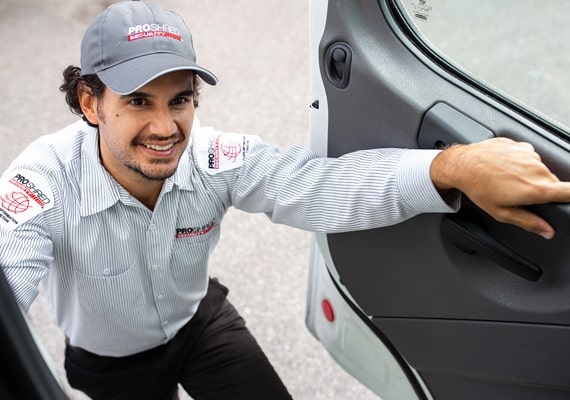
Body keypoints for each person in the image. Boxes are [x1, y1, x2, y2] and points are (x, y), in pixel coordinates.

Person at [1, 1, 569, 399]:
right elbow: (8, 273)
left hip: (199, 321)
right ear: (91, 101)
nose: (165, 126)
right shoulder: (43, 183)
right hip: (109, 362)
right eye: (138, 101)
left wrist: (455, 165)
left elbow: (323, 186)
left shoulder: (214, 158)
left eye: (180, 100)